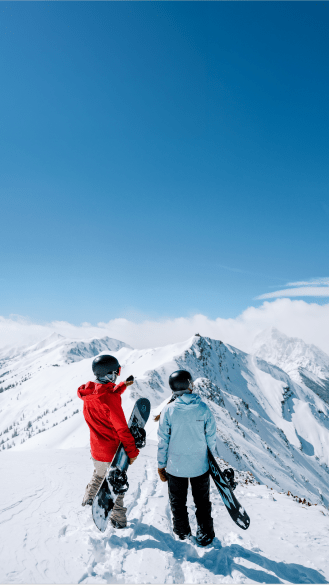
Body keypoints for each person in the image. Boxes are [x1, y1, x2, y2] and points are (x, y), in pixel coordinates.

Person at [156, 370, 217, 546]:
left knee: (178, 503)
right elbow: (211, 437)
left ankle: (182, 533)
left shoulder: (168, 410)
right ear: (189, 385)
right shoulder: (203, 408)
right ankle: (205, 534)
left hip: (176, 468)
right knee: (202, 503)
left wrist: (161, 465)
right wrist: (208, 459)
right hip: (200, 466)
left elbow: (163, 441)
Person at [77, 354, 139, 529]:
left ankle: (88, 501)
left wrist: (122, 386)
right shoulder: (110, 398)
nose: (118, 375)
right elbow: (121, 429)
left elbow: (104, 394)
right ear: (110, 373)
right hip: (112, 452)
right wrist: (132, 452)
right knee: (115, 488)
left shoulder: (89, 394)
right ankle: (118, 522)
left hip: (96, 450)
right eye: (117, 372)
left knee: (98, 475)